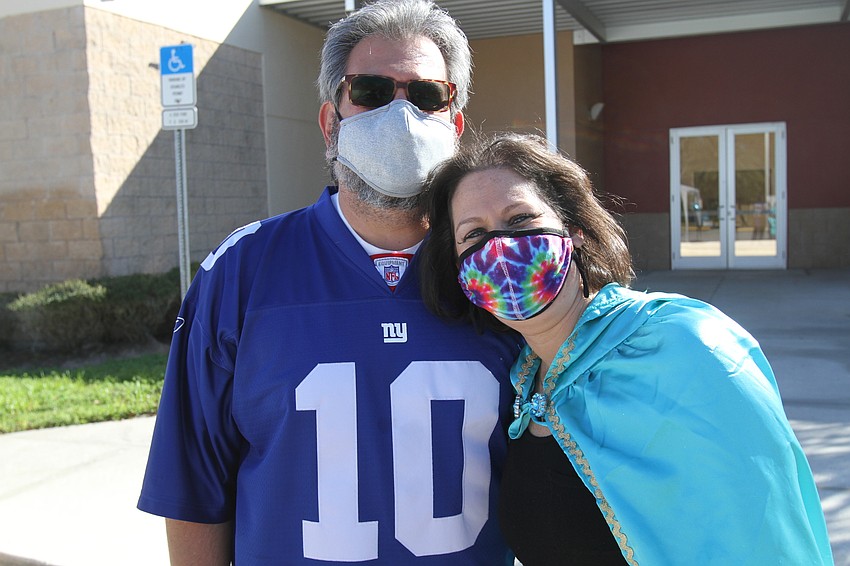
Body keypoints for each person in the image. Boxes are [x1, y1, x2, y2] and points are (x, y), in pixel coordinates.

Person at [138, 2, 520, 564]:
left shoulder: (504, 271)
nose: (400, 113)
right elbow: (194, 488)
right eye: (368, 91)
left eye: (426, 95)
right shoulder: (242, 272)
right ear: (329, 122)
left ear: (455, 124)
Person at [419, 132, 834, 565]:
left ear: (573, 230)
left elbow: (765, 532)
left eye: (520, 219)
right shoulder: (520, 384)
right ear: (461, 273)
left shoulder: (685, 342)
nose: (501, 249)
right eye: (475, 235)